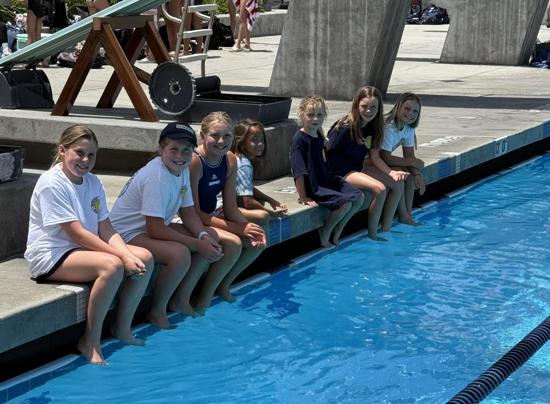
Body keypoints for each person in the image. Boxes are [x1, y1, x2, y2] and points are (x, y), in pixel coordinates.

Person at [24, 125, 154, 365]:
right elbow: (77, 234)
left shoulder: (92, 181)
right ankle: (90, 340)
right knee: (111, 265)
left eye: (91, 155)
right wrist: (122, 257)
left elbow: (106, 228)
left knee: (145, 256)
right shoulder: (52, 182)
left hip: (79, 250)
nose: (85, 160)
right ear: (62, 151)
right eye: (79, 153)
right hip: (51, 254)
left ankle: (122, 328)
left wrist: (127, 253)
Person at [110, 122, 224, 326]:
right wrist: (197, 244)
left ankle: (181, 298)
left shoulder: (182, 169)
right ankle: (157, 310)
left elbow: (188, 212)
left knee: (211, 236)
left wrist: (203, 237)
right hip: (127, 233)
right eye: (174, 149)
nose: (180, 155)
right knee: (179, 255)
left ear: (193, 151)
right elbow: (155, 229)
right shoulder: (157, 176)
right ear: (162, 149)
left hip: (149, 228)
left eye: (186, 150)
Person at [189, 111, 266, 314]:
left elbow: (230, 207)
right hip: (189, 218)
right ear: (203, 135)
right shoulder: (195, 161)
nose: (221, 141)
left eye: (227, 136)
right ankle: (204, 297)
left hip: (210, 215)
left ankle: (223, 285)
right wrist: (238, 228)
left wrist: (247, 227)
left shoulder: (229, 159)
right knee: (233, 243)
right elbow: (195, 213)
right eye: (215, 135)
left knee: (256, 242)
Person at [326, 86, 409, 240]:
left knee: (397, 184)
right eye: (364, 106)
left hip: (357, 168)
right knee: (380, 189)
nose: (369, 111)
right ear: (356, 105)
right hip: (339, 172)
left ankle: (386, 228)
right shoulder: (345, 127)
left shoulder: (373, 127)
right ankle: (373, 234)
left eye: (373, 107)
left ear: (379, 108)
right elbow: (326, 150)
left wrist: (391, 172)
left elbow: (375, 157)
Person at [290, 95, 364, 247]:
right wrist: (303, 196)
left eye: (319, 115)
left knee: (359, 197)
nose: (315, 119)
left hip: (327, 180)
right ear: (301, 114)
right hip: (315, 186)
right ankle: (325, 231)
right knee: (345, 204)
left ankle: (338, 230)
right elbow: (298, 171)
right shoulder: (299, 140)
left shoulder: (318, 135)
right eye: (310, 115)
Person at [380, 92, 425, 224]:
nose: (410, 113)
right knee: (400, 175)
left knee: (410, 176)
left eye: (415, 111)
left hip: (382, 160)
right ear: (398, 107)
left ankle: (407, 215)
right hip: (369, 161)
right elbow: (385, 157)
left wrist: (417, 173)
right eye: (407, 108)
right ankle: (400, 217)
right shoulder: (389, 127)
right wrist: (413, 162)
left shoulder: (408, 127)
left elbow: (409, 154)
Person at [231, 119, 288, 223]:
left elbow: (247, 188)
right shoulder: (244, 165)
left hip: (228, 200)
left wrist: (271, 200)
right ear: (242, 142)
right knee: (263, 215)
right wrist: (272, 212)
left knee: (260, 201)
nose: (260, 143)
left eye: (262, 139)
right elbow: (248, 202)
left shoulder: (237, 157)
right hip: (223, 206)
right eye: (254, 140)